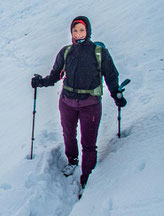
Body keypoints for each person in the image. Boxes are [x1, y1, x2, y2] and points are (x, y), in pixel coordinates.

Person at [31, 16, 127, 189]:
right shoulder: (66, 52)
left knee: (88, 143)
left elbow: (111, 76)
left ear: (88, 31)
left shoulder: (99, 52)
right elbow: (55, 75)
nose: (78, 33)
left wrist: (116, 94)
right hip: (67, 102)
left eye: (81, 30)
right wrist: (41, 81)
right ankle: (72, 160)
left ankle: (88, 175)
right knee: (69, 136)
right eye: (75, 30)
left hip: (90, 105)